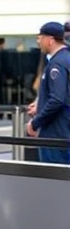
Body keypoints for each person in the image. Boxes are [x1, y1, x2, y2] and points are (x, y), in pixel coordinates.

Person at [26, 22, 70, 164]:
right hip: (64, 131)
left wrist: (35, 123)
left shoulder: (57, 64)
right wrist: (40, 103)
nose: (38, 41)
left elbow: (57, 99)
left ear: (50, 40)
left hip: (56, 134)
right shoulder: (66, 59)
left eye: (40, 37)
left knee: (55, 182)